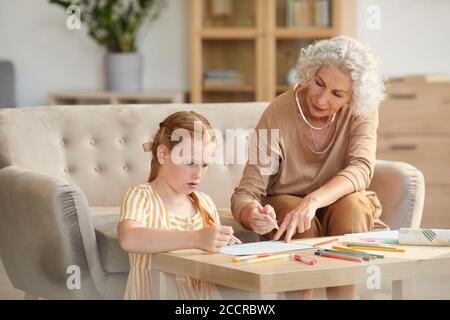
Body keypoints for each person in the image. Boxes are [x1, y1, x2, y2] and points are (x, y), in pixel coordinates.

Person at [231, 36, 387, 300]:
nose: (322, 98)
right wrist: (251, 215)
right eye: (319, 83)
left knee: (355, 205)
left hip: (338, 202)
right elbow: (247, 192)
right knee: (296, 217)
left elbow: (361, 167)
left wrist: (313, 200)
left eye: (337, 94)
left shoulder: (362, 110)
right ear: (309, 73)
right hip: (287, 205)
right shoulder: (279, 112)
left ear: (352, 98)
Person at [117, 111, 236, 300]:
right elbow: (128, 238)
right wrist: (196, 238)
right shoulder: (141, 197)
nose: (198, 174)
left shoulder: (205, 203)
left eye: (205, 165)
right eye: (190, 163)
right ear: (163, 154)